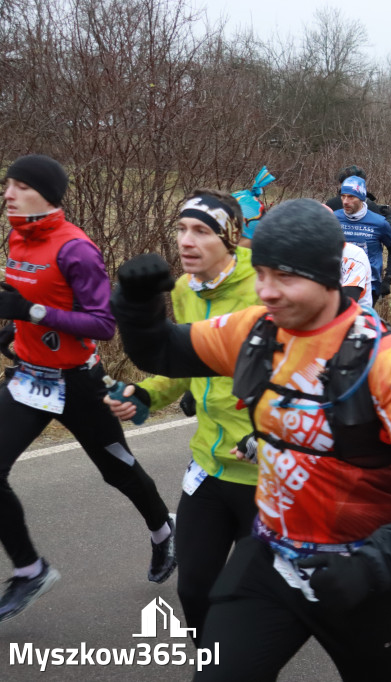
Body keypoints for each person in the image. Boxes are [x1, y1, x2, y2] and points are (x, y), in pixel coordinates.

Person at [110, 198, 391, 680]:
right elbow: (163, 352)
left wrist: (373, 564)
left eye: (285, 277)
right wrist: (136, 308)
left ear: (327, 277)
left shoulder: (384, 361)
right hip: (273, 557)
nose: (267, 291)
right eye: (260, 274)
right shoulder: (256, 330)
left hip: (359, 573)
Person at [0, 154, 175, 623]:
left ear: (45, 195)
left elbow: (101, 324)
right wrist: (11, 326)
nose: (8, 193)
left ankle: (164, 532)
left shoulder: (76, 248)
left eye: (19, 186)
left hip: (78, 382)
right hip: (27, 378)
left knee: (118, 470)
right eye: (8, 184)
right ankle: (30, 570)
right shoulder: (18, 236)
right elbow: (24, 294)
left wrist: (30, 313)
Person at [105, 189, 259, 641]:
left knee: (247, 598)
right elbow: (183, 363)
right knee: (193, 592)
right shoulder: (183, 291)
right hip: (209, 466)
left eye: (202, 231)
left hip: (263, 472)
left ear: (230, 239)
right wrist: (147, 394)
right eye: (181, 229)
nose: (186, 241)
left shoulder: (264, 289)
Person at [334, 175, 391, 304]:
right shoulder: (333, 218)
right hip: (337, 283)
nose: (345, 201)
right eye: (343, 196)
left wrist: (388, 278)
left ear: (361, 198)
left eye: (351, 197)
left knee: (360, 322)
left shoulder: (379, 223)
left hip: (369, 285)